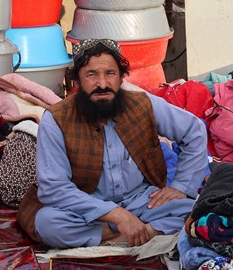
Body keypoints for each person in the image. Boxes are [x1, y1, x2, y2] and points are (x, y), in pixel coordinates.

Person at [17, 38, 208, 248]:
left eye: (110, 74)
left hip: (143, 202)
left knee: (198, 211)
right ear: (77, 82)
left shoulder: (143, 104)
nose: (103, 84)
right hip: (88, 208)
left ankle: (119, 238)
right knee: (47, 222)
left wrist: (181, 186)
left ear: (121, 78)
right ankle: (145, 234)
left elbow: (194, 130)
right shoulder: (56, 120)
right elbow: (54, 188)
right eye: (91, 75)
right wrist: (117, 215)